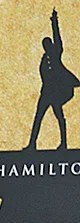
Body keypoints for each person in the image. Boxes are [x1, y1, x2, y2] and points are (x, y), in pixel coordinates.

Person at [27, 9, 79, 150]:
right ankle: (32, 144)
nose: (47, 47)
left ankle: (63, 143)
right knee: (38, 118)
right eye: (45, 45)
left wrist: (54, 21)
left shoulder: (56, 54)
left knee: (59, 117)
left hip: (56, 92)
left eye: (49, 44)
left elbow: (57, 37)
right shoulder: (44, 60)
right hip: (46, 93)